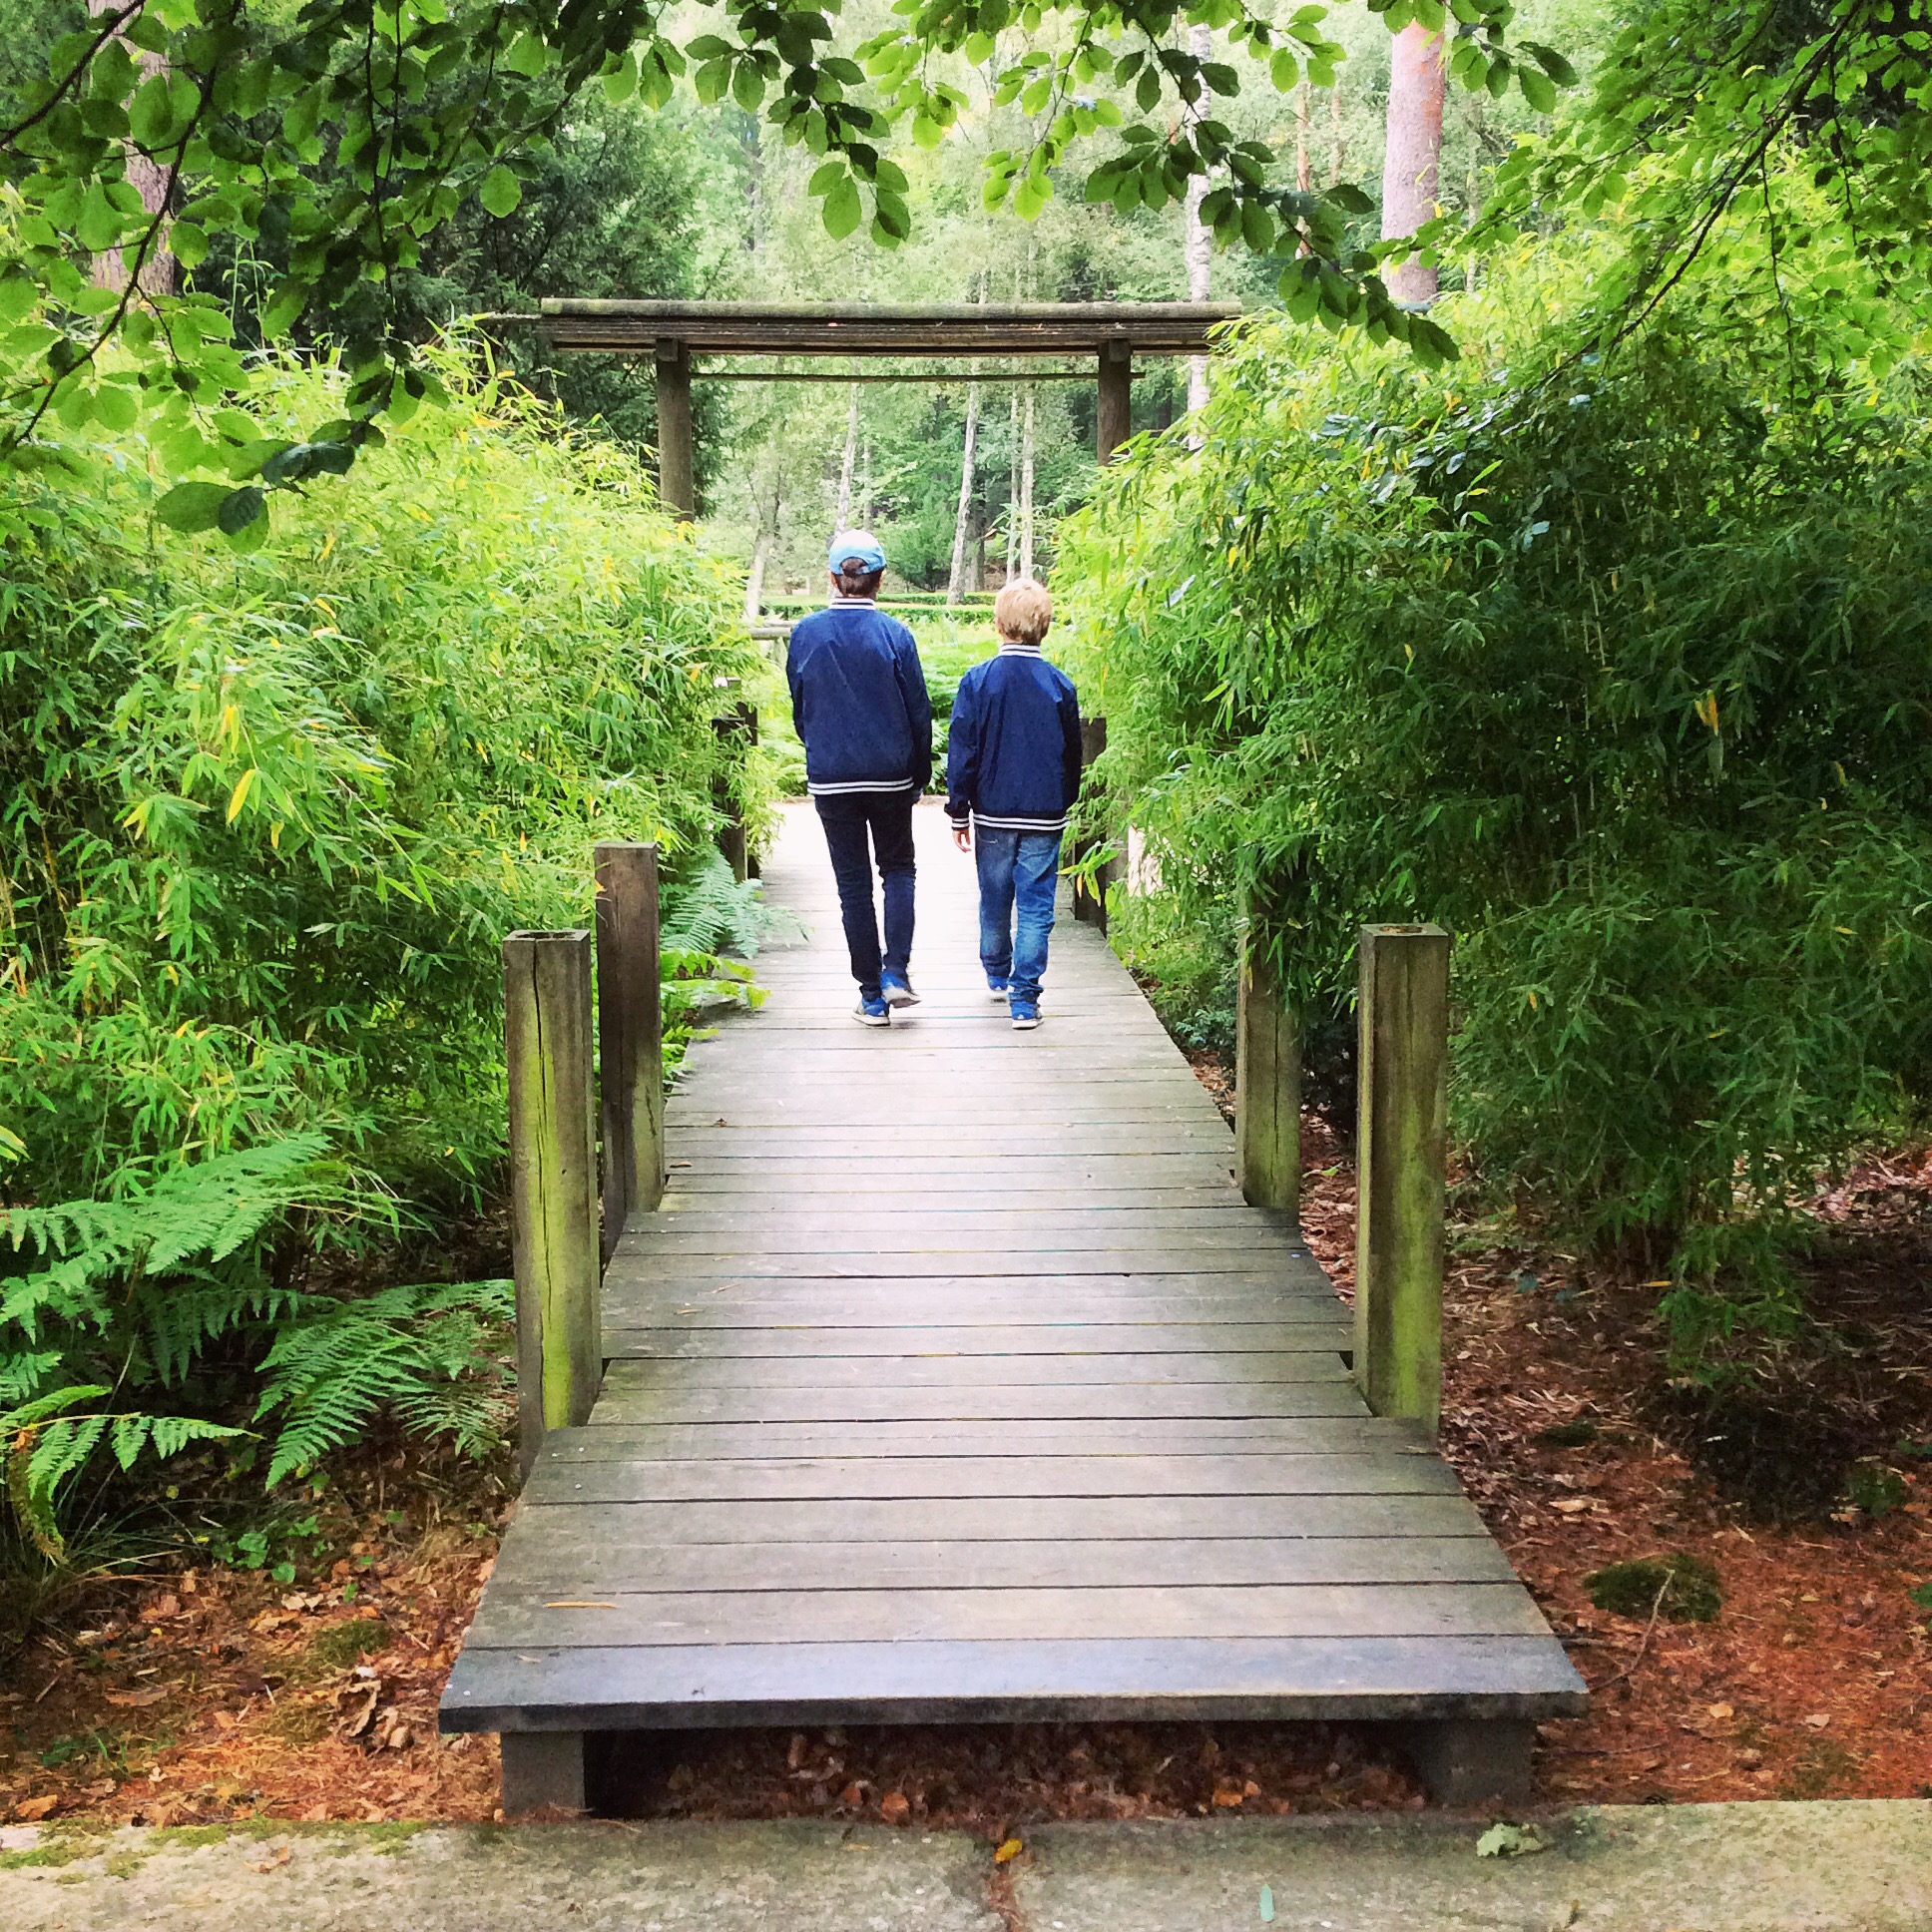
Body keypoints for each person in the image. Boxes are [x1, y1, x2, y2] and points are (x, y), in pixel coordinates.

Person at [786, 530, 933, 1026]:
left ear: (832, 578)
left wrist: (820, 748)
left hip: (832, 777)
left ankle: (870, 996)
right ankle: (896, 972)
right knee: (898, 869)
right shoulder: (895, 635)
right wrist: (918, 771)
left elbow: (800, 706)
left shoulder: (806, 634)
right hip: (890, 775)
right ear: (880, 580)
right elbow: (918, 711)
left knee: (852, 884)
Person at [944, 578, 1083, 1031]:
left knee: (995, 893)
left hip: (993, 811)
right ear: (1045, 626)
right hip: (1045, 810)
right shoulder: (1059, 685)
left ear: (998, 624)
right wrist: (1065, 798)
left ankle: (995, 969)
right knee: (1037, 906)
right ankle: (1025, 999)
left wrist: (958, 810)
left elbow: (963, 750)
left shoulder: (978, 681)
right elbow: (1072, 755)